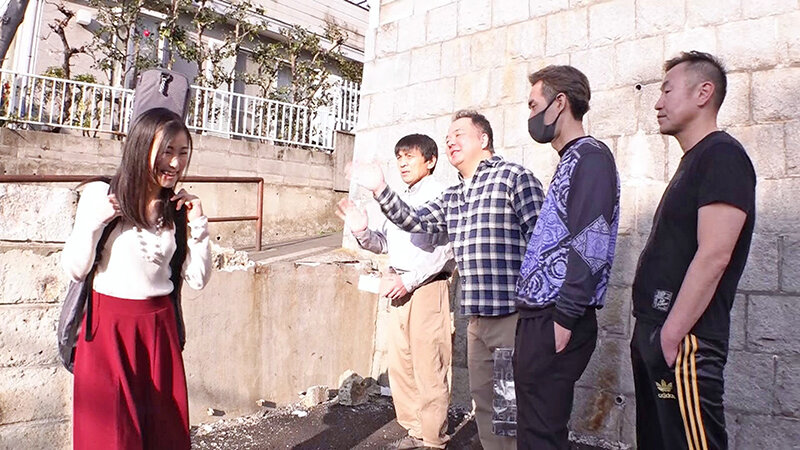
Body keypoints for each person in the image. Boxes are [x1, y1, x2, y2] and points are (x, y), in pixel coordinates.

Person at [351, 110, 544, 450]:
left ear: (483, 139)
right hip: (478, 320)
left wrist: (542, 311)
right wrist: (380, 188)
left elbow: (544, 242)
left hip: (511, 318)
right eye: (448, 137)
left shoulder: (513, 178)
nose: (451, 141)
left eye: (459, 134)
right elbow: (414, 220)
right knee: (486, 405)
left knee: (508, 407)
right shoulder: (454, 196)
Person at [61, 108, 212, 450]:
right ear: (142, 148)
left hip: (159, 330)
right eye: (167, 151)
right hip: (107, 331)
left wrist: (200, 225)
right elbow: (75, 269)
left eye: (183, 152)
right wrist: (95, 222)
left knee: (164, 435)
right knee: (112, 437)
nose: (176, 163)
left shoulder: (177, 209)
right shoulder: (102, 194)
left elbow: (198, 279)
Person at [630, 51, 756, 450]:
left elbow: (715, 254)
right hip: (660, 333)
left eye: (667, 91)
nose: (658, 103)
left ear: (704, 93)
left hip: (686, 341)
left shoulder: (723, 156)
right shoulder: (696, 160)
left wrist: (671, 335)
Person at [513, 65, 620, 449]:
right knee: (535, 428)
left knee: (541, 433)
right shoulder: (573, 159)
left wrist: (565, 317)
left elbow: (592, 241)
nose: (530, 115)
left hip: (555, 317)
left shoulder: (591, 157)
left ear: (559, 103)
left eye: (533, 104)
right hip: (543, 316)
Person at [338, 134, 456, 449]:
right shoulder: (401, 197)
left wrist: (410, 280)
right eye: (399, 157)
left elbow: (445, 252)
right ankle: (415, 431)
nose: (403, 163)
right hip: (398, 286)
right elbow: (383, 243)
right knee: (401, 365)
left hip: (427, 287)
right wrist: (362, 231)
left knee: (429, 366)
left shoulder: (441, 194)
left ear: (430, 161)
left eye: (410, 157)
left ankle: (433, 440)